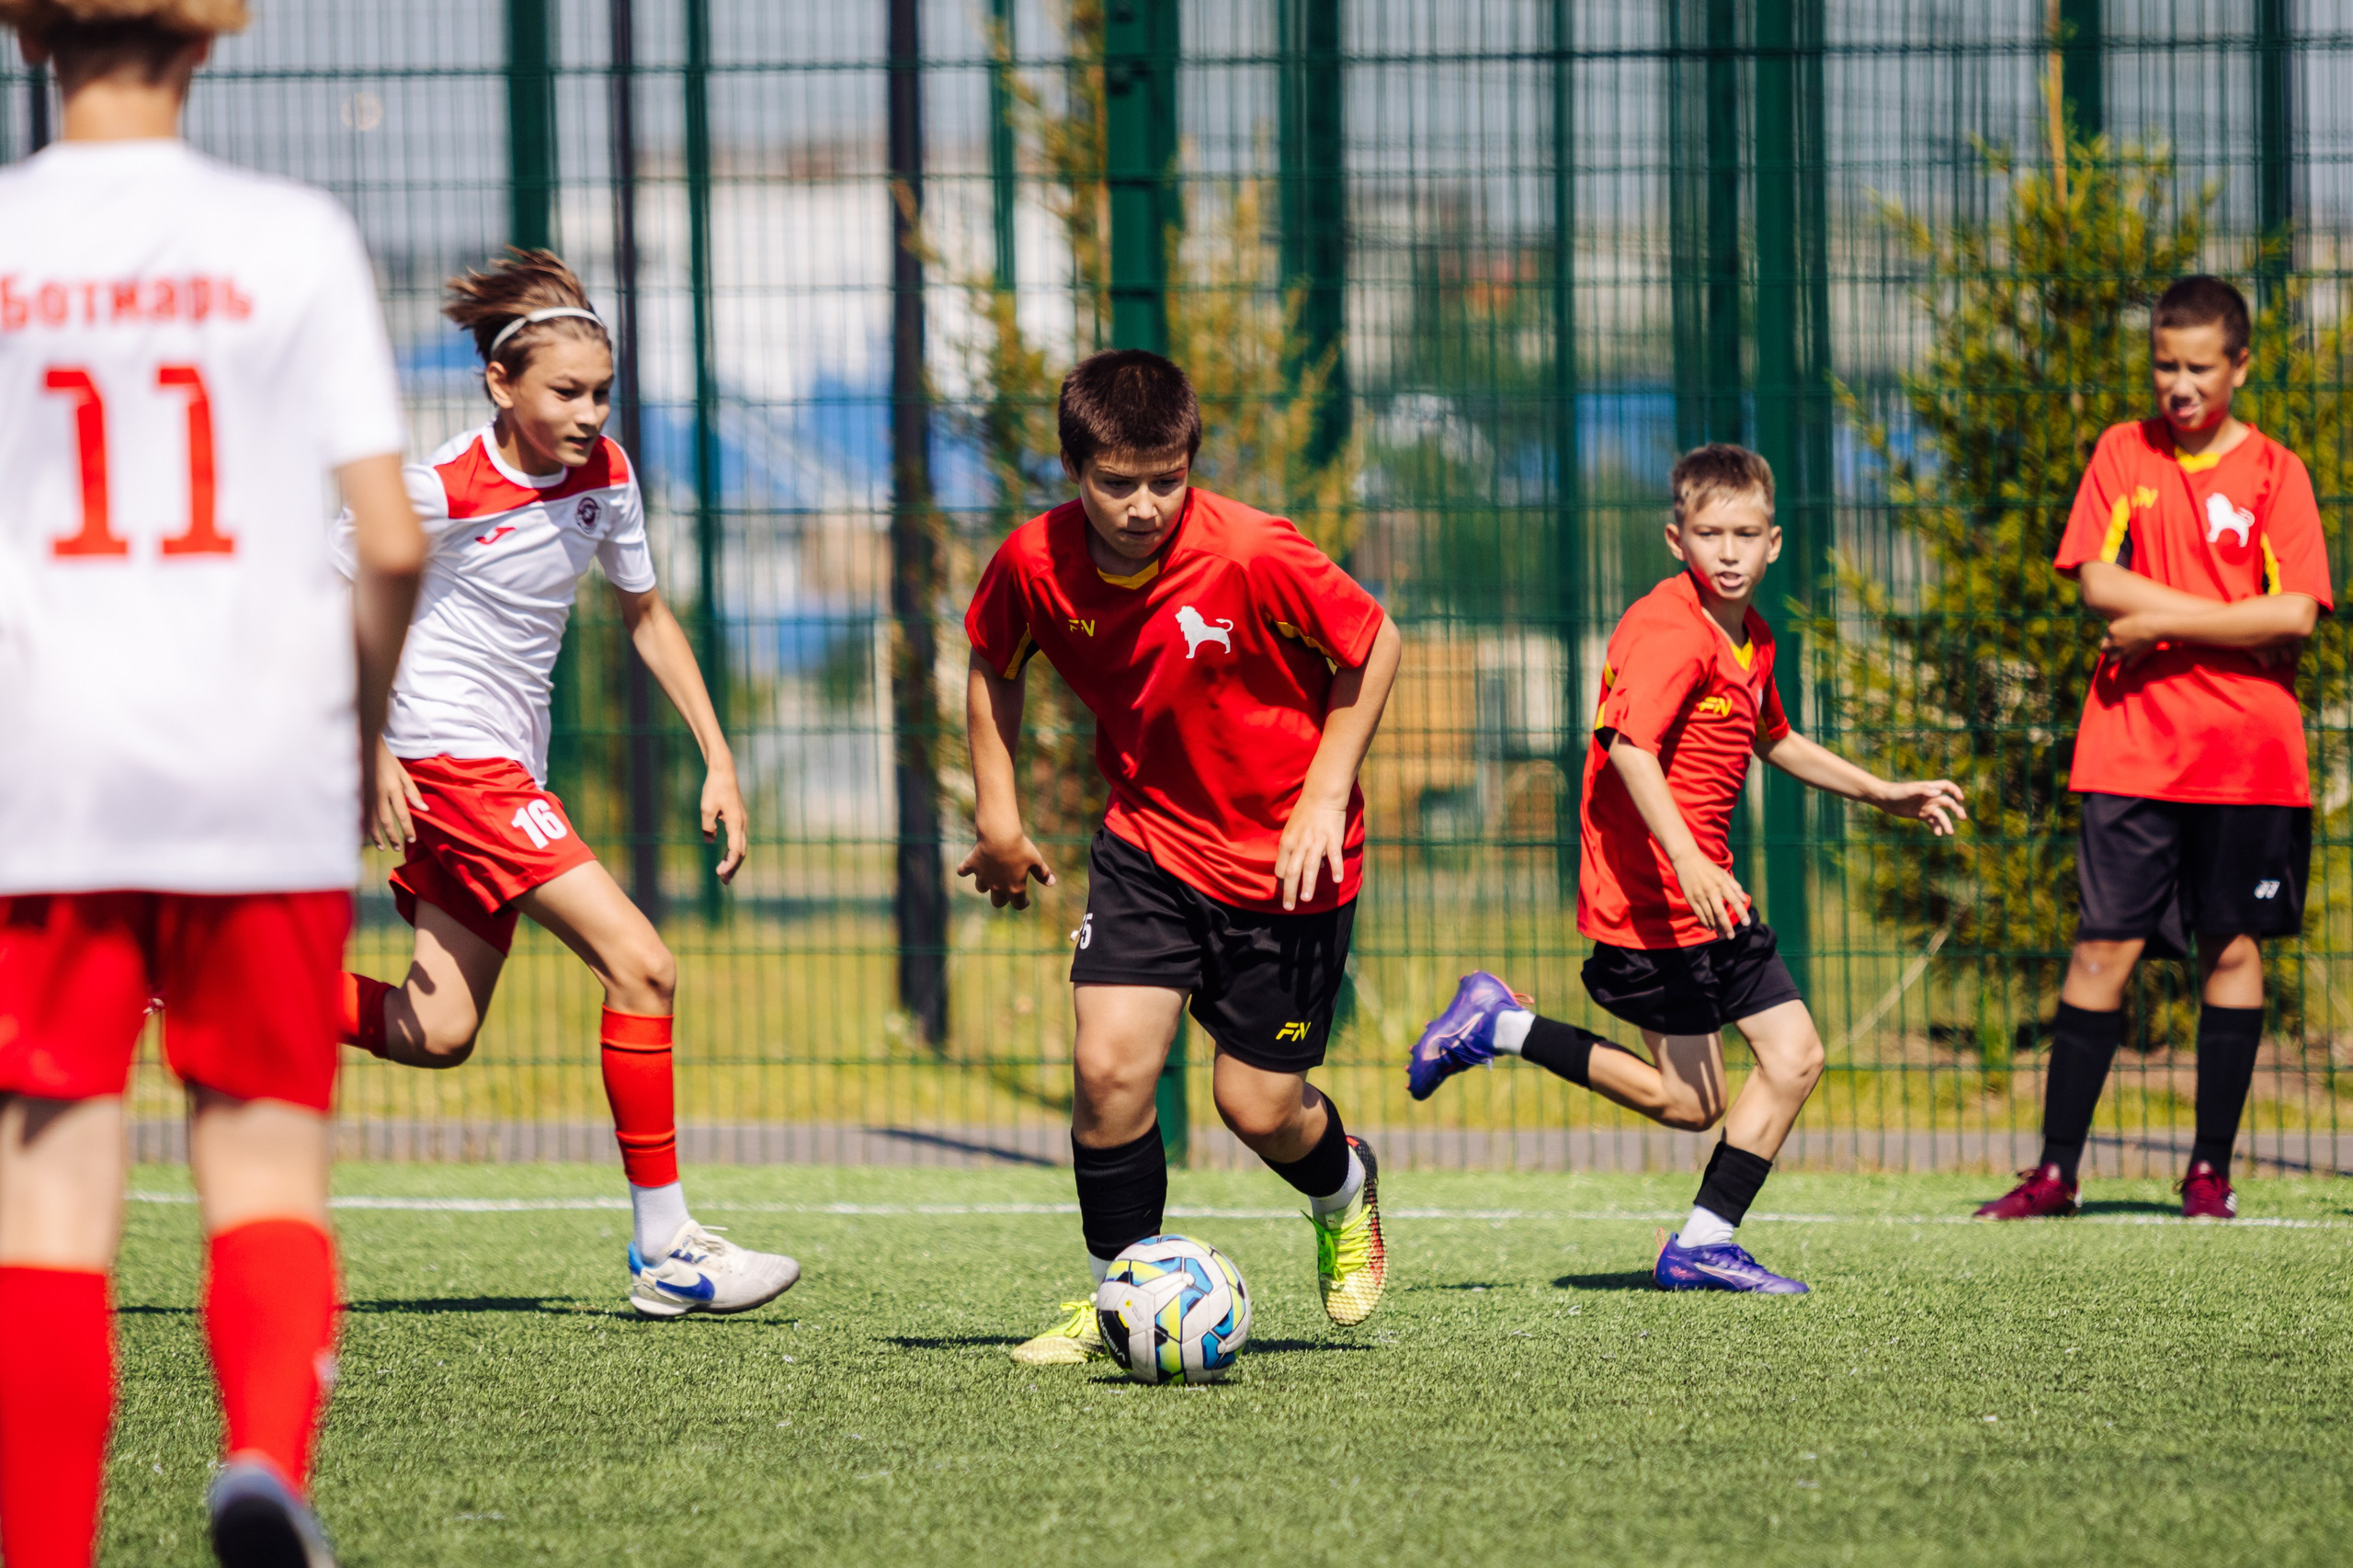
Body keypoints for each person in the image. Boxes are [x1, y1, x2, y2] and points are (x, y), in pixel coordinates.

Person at [0, 3, 425, 1563]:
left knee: (47, 1189)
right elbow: (389, 541)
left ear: (25, 30)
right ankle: (258, 1454)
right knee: (260, 1155)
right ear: (211, 39)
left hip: (45, 774)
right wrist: (355, 724)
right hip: (255, 765)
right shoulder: (290, 237)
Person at [335, 249, 799, 1316]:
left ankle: (208, 978)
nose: (590, 412)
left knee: (434, 1031)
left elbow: (645, 615)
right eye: (565, 392)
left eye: (602, 391)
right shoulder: (437, 488)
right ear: (501, 385)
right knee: (643, 963)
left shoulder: (609, 474)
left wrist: (717, 754)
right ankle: (667, 1247)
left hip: (501, 765)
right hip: (453, 763)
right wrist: (370, 742)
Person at [1406, 445, 1966, 1293]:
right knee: (1689, 1104)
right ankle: (1502, 1027)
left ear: (1775, 541)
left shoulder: (1751, 638)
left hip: (1711, 892)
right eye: (1711, 533)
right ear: (1678, 539)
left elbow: (1774, 738)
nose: (1730, 551)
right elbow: (1629, 751)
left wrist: (1883, 793)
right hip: (1649, 904)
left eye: (1746, 533)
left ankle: (1705, 1241)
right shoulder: (1668, 630)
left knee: (1794, 1055)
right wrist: (1689, 859)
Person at [961, 349, 1404, 1361]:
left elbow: (1372, 642)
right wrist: (999, 817)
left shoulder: (1252, 549)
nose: (1145, 503)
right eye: (1118, 482)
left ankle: (1343, 1189)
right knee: (1107, 1070)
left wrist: (1325, 792)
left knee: (1256, 1105)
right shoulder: (1033, 561)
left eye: (1168, 477)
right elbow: (992, 657)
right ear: (1075, 470)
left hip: (1288, 864)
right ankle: (1119, 1293)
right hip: (1148, 847)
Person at [1975, 276, 2330, 1222]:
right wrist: (2229, 626)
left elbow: (2295, 612)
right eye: (2164, 365)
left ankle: (2207, 1172)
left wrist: (2158, 623)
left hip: (2249, 756)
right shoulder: (2120, 453)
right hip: (2129, 749)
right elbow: (2098, 581)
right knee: (2102, 948)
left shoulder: (2275, 474)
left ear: (2239, 366)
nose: (2177, 385)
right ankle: (2055, 1172)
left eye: (2198, 368)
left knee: (2232, 946)